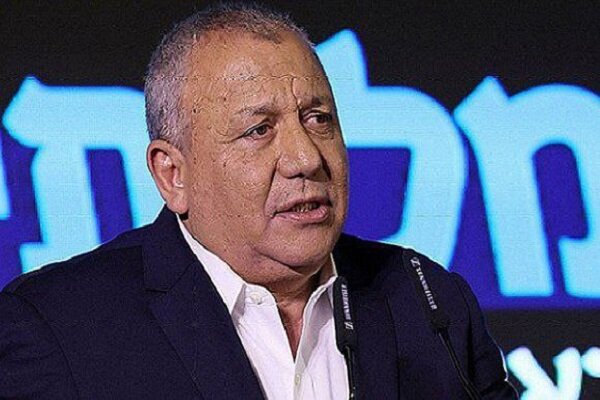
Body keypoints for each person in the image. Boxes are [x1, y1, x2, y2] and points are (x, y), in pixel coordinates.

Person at [0, 3, 517, 399]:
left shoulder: (427, 304)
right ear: (173, 174)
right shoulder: (58, 328)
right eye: (259, 130)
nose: (305, 158)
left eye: (318, 119)